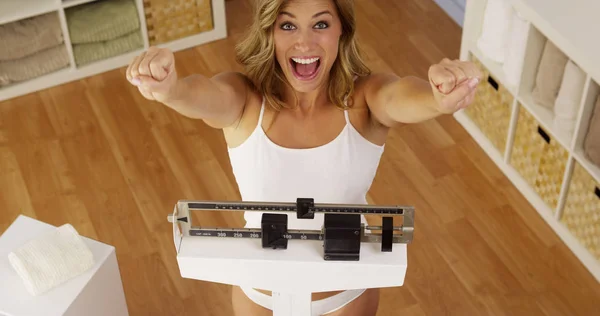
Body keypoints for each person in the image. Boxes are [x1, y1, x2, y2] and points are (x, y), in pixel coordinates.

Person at [126, 0, 482, 314]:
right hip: (259, 300)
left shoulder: (364, 99)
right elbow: (202, 94)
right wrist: (170, 90)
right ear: (270, 32)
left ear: (343, 31)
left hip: (345, 300)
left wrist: (439, 98)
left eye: (321, 24)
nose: (305, 42)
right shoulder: (244, 101)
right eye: (288, 25)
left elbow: (400, 96)